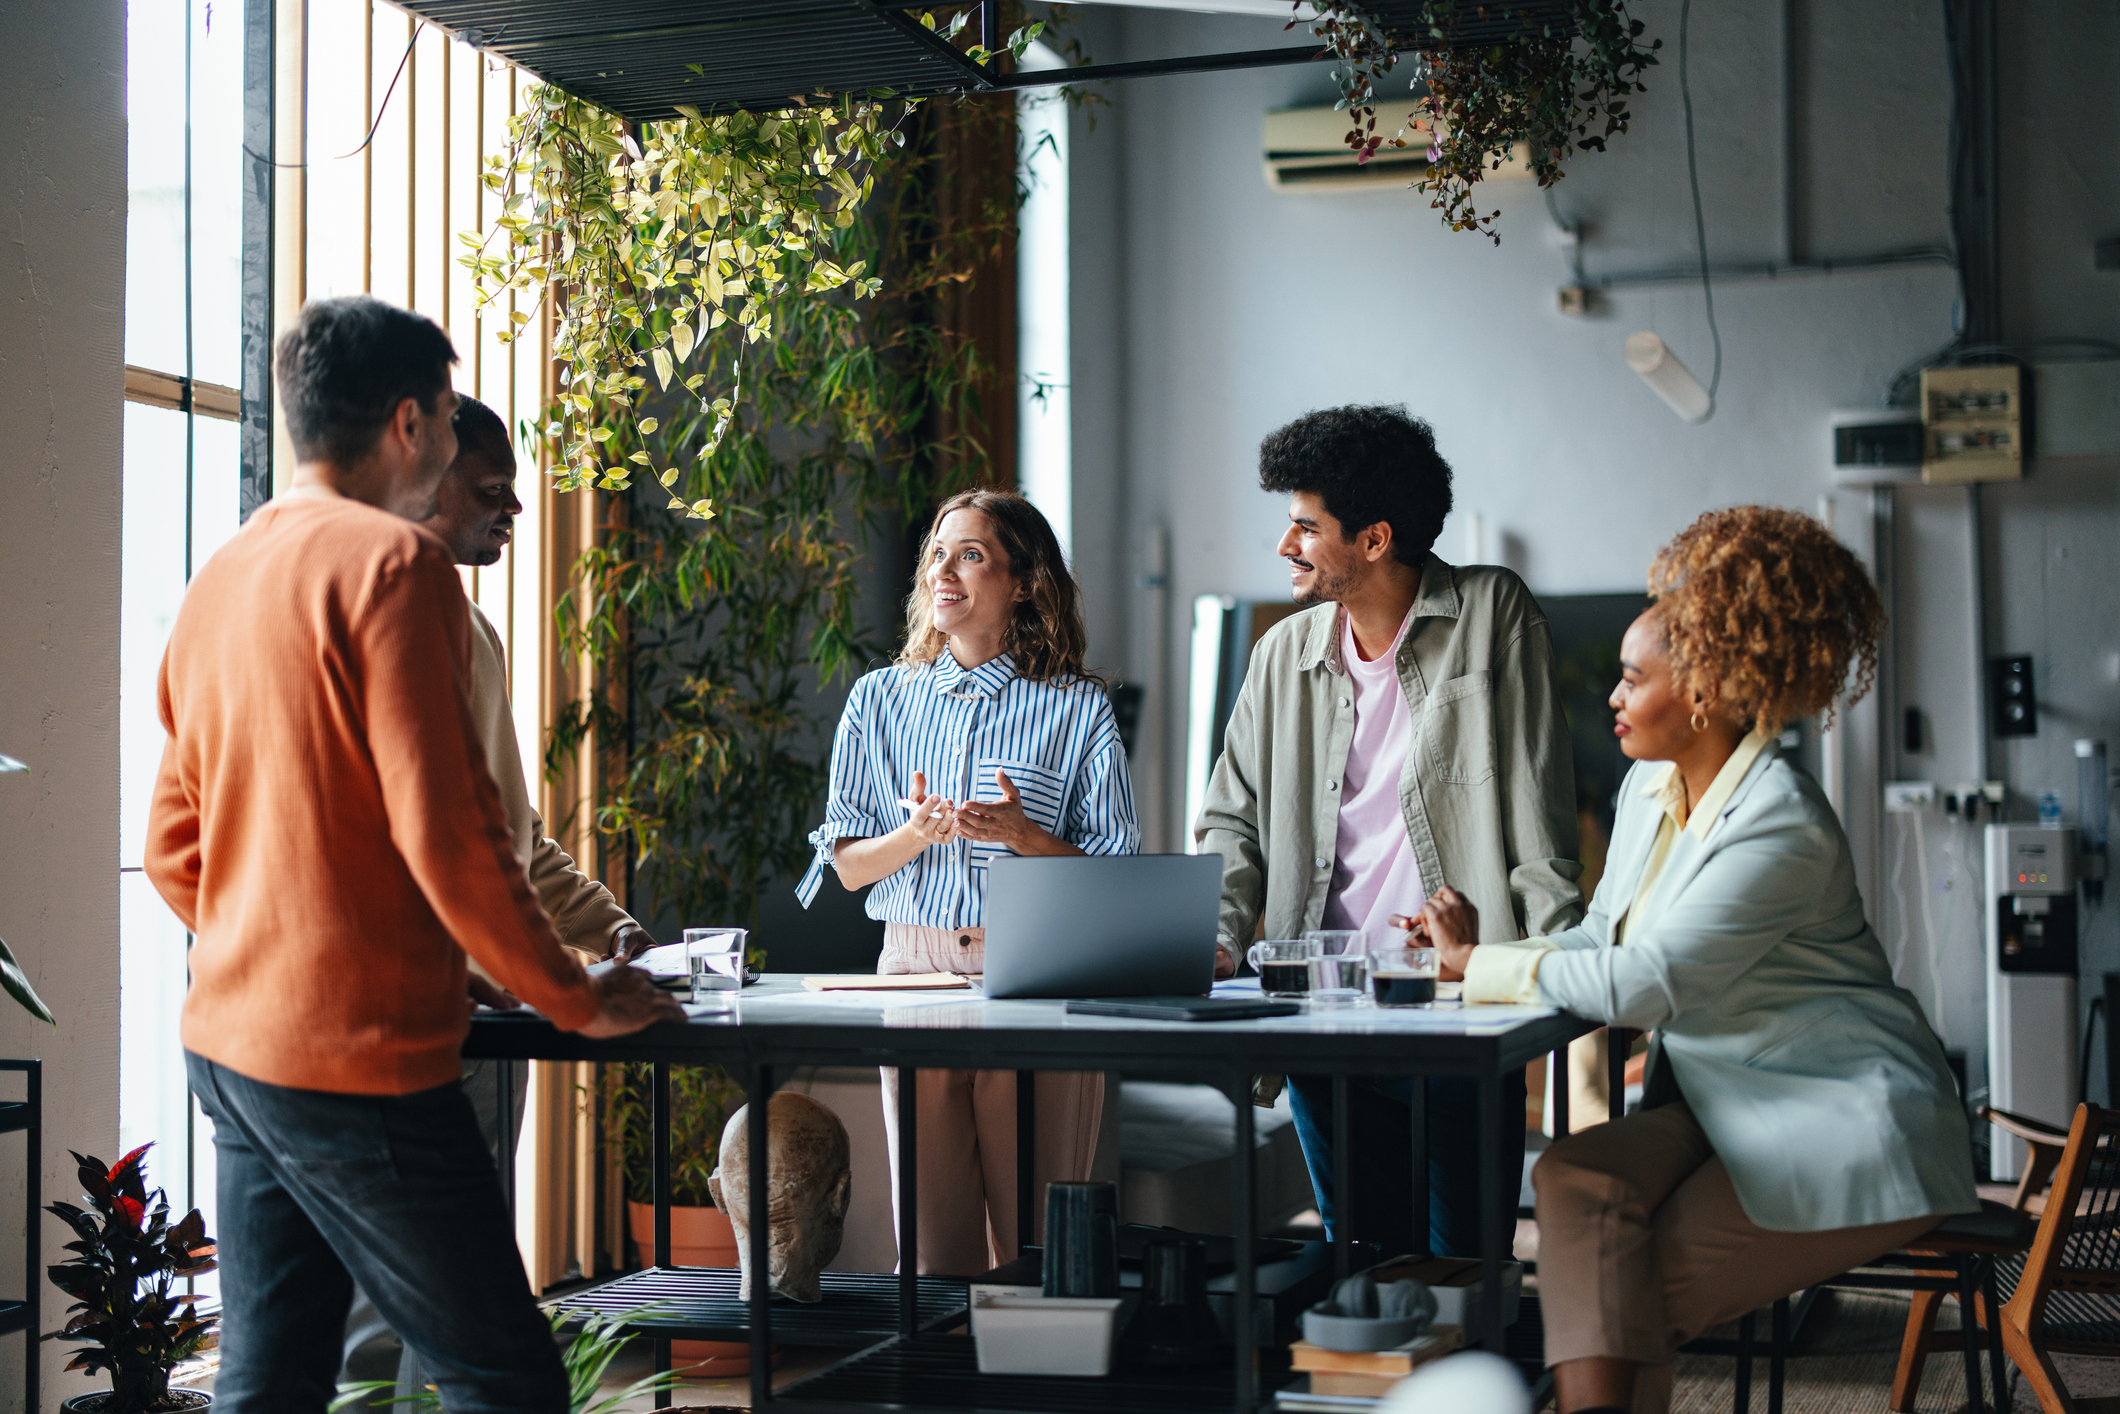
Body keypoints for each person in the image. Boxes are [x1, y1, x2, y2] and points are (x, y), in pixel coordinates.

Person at [146, 295, 682, 1413]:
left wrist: (285, 941)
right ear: (408, 422)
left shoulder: (222, 575)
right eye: (444, 415)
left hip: (231, 1049)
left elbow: (173, 850)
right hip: (358, 1058)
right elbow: (452, 838)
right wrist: (576, 998)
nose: (447, 440)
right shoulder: (396, 567)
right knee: (505, 1377)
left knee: (269, 1381)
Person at [1426, 506, 1978, 1414]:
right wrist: (1478, 957)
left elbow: (1649, 984)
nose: (1613, 697)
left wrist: (1478, 965)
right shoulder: (1651, 785)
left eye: (1632, 678)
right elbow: (1603, 936)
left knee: (1624, 1291)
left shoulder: (1781, 823)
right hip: (1723, 1097)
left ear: (1705, 694)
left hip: (1846, 1114)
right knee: (1575, 1177)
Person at [1194, 404, 1583, 1260]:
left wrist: (1558, 970)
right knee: (1359, 1261)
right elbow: (1231, 819)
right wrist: (1218, 936)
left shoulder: (1491, 613)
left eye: (1306, 527)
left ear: (1374, 539)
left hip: (1450, 1004)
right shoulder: (1281, 653)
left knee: (1464, 1262)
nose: (1285, 545)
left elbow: (1537, 797)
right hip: (1319, 1002)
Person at [340, 393, 662, 1387]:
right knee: (393, 1305)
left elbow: (510, 837)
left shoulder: (472, 633)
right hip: (403, 1020)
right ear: (422, 480)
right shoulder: (365, 624)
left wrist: (611, 928)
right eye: (491, 490)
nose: (514, 509)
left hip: (482, 1020)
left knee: (451, 1301)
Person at [796, 488, 1138, 1274]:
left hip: (1039, 975)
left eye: (971, 555)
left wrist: (1024, 836)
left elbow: (1118, 878)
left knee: (1043, 1247)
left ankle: (1039, 1354)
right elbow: (846, 868)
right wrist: (914, 835)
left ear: (1025, 582)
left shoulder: (1078, 709)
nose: (942, 572)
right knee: (930, 1252)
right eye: (937, 554)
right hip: (910, 974)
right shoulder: (878, 699)